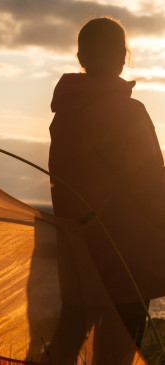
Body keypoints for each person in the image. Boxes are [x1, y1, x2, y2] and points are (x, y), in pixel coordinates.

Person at [49, 17, 165, 349]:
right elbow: (149, 185)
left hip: (78, 248)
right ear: (123, 55)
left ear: (81, 57)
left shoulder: (64, 115)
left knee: (66, 344)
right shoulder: (127, 111)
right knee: (117, 351)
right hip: (127, 253)